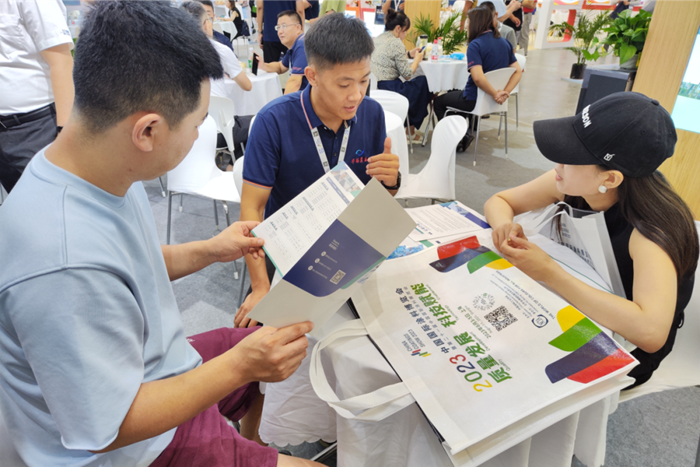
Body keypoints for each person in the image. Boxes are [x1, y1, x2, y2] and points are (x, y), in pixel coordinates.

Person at [0, 1, 322, 466]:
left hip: (156, 367)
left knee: (264, 343)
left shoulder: (96, 166)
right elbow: (107, 430)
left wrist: (211, 249)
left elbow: (131, 267)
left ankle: (245, 447)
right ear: (147, 131)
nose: (197, 137)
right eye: (197, 125)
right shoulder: (62, 259)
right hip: (134, 444)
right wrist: (239, 365)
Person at [484, 92, 698, 388]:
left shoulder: (651, 232)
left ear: (609, 179)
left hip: (625, 346)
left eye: (571, 156)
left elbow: (650, 334)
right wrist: (505, 226)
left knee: (518, 370)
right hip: (577, 301)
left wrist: (549, 272)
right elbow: (500, 200)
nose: (558, 163)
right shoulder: (575, 182)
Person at [235, 13, 401, 328]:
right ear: (311, 75)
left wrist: (391, 182)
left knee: (383, 327)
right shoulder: (274, 121)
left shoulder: (372, 114)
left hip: (349, 247)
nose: (356, 95)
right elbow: (251, 209)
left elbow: (378, 198)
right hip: (288, 251)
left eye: (364, 80)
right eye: (344, 84)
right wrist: (259, 287)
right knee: (260, 339)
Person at [0, 0, 74, 194]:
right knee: (16, 204)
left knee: (51, 199)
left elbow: (62, 63)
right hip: (4, 131)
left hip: (35, 128)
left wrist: (64, 131)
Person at [433, 7, 521, 150]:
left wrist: (496, 94)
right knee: (454, 95)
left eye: (468, 22)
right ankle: (462, 134)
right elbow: (518, 71)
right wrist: (504, 93)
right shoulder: (505, 43)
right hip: (492, 101)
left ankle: (456, 139)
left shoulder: (476, 45)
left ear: (475, 23)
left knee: (438, 102)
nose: (467, 25)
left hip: (474, 99)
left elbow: (478, 78)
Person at [370, 9, 429, 138]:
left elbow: (389, 56)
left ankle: (409, 130)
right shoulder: (396, 43)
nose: (406, 34)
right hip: (390, 89)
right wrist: (417, 60)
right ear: (398, 28)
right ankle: (410, 131)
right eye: (405, 30)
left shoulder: (377, 39)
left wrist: (409, 54)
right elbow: (407, 74)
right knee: (422, 83)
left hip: (374, 89)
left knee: (415, 86)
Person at [182, 1, 252, 96]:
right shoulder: (220, 49)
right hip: (218, 104)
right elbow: (247, 86)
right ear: (206, 24)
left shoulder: (172, 51)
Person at [254, 10, 309, 94]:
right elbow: (280, 67)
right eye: (278, 27)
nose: (280, 31)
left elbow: (295, 83)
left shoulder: (302, 45)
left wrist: (284, 102)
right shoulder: (294, 45)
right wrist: (263, 65)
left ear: (298, 28)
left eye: (284, 26)